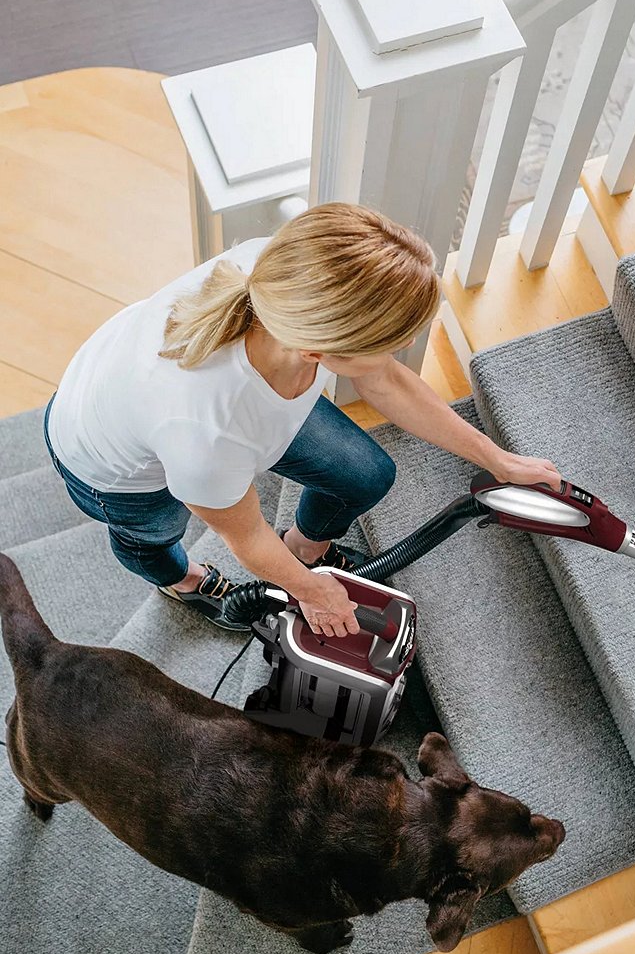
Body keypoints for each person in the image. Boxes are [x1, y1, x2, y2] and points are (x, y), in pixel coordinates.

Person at [44, 203, 561, 638]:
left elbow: (384, 380)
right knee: (155, 535)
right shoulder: (206, 431)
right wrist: (311, 591)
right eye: (390, 343)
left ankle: (304, 547)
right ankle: (181, 581)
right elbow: (246, 539)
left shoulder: (291, 278)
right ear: (317, 350)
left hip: (163, 389)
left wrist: (497, 459)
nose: (404, 348)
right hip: (110, 461)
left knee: (365, 474)